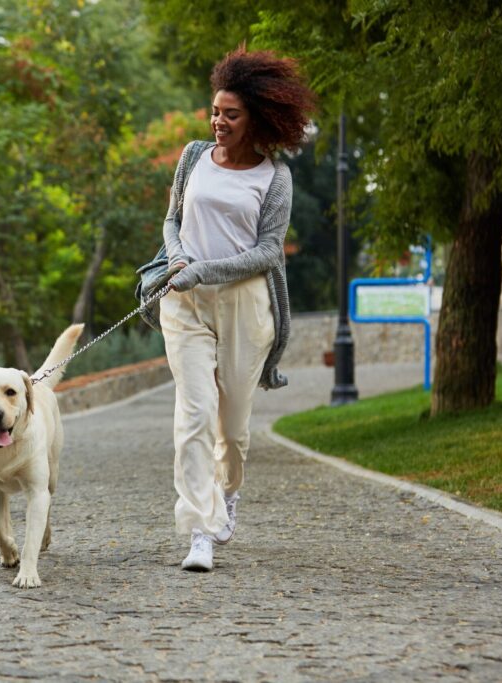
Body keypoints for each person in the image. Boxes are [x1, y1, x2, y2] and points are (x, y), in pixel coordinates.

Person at [160, 47, 316, 571]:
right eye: (214, 111)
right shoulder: (192, 157)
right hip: (185, 303)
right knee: (195, 415)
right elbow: (171, 221)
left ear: (257, 119)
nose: (218, 122)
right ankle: (199, 530)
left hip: (246, 307)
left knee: (233, 427)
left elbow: (269, 252)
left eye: (231, 114)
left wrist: (207, 268)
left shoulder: (274, 179)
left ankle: (229, 492)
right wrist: (180, 257)